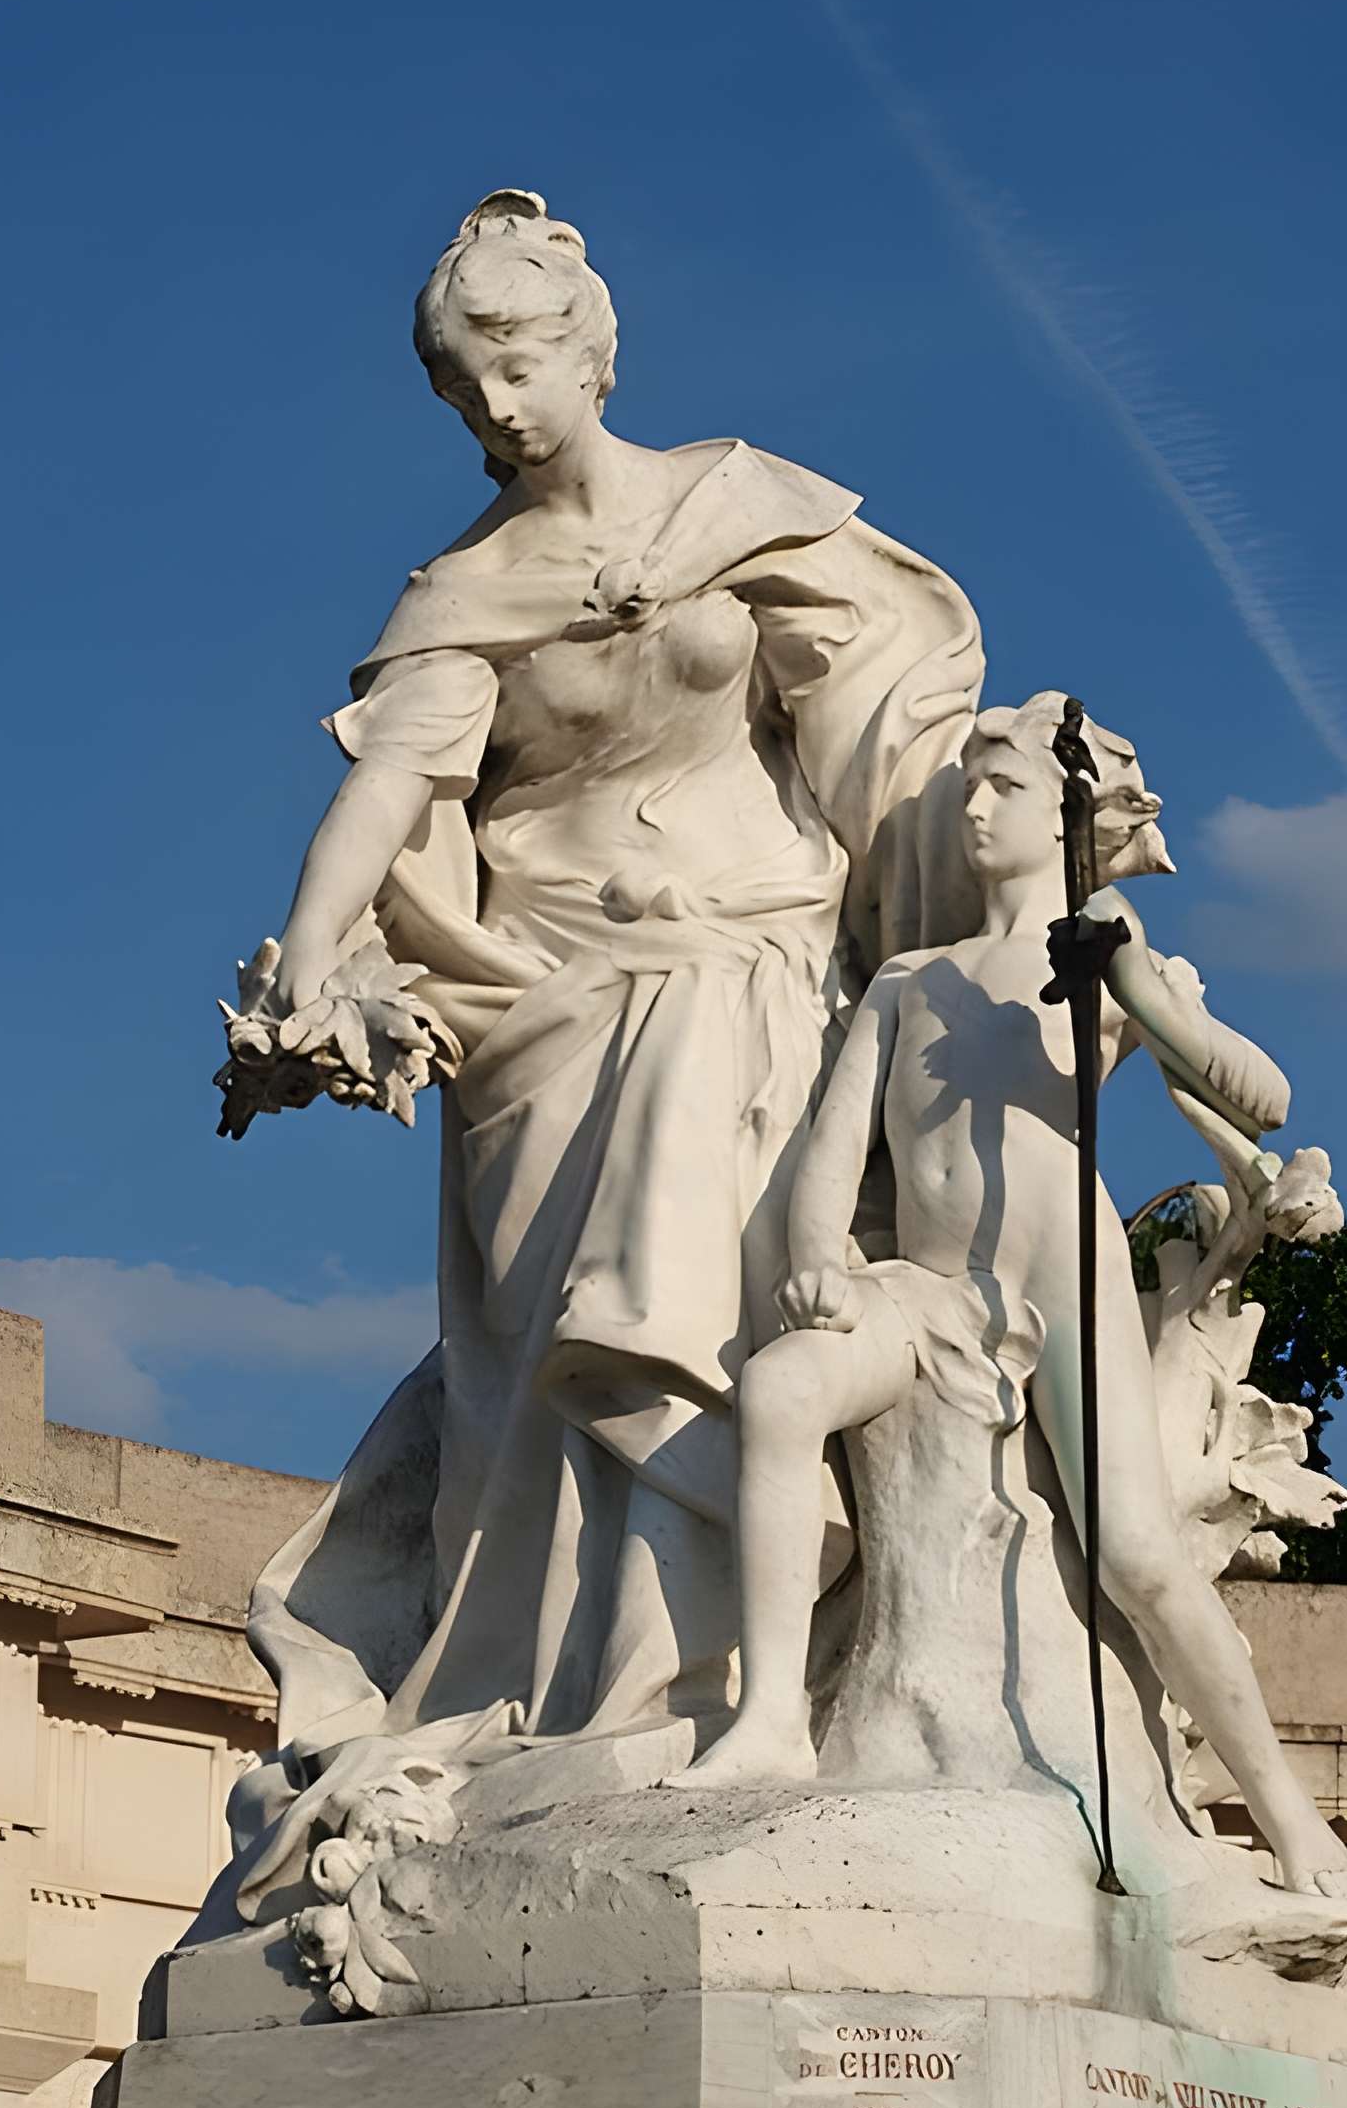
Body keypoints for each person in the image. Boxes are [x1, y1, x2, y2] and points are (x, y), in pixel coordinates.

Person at [220, 191, 988, 1911]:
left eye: (513, 361)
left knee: (714, 1298)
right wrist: (317, 947)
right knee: (569, 1365)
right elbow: (391, 788)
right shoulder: (467, 593)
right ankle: (596, 1696)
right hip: (550, 1015)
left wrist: (1009, 855)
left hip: (761, 966)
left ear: (593, 347)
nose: (494, 403)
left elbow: (889, 749)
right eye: (458, 383)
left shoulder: (749, 511)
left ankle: (717, 1688)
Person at [685, 696, 1347, 1906]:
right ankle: (772, 1717)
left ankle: (1287, 1816)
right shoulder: (908, 979)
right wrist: (814, 1251)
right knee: (781, 1388)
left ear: (1065, 816)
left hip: (1061, 1276)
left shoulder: (1103, 954)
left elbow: (1261, 1093)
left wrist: (1134, 989)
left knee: (1140, 1558)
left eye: (1002, 786)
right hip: (930, 1291)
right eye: (969, 786)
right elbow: (831, 1152)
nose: (973, 807)